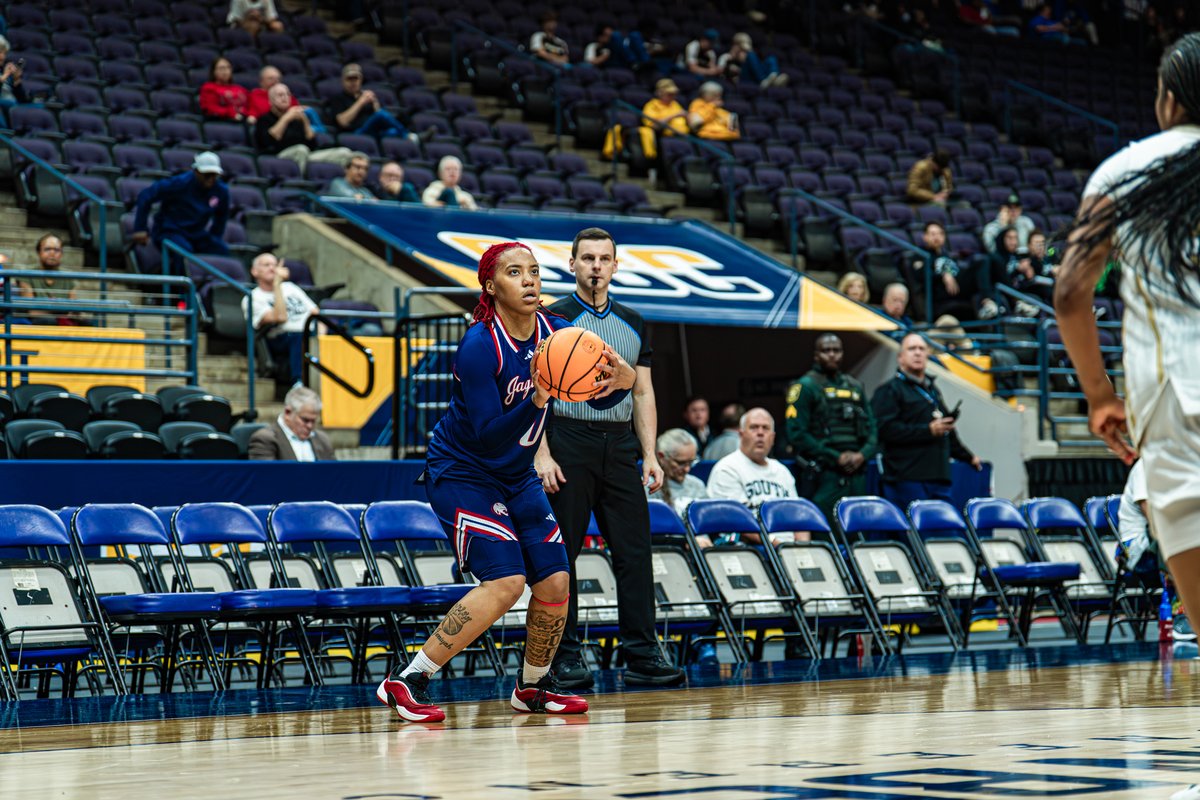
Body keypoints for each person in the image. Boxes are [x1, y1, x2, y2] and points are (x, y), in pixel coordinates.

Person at [377, 241, 630, 722]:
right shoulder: (478, 345)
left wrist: (621, 378)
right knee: (508, 580)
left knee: (556, 580)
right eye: (516, 272)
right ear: (492, 287)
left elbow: (595, 399)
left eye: (534, 271)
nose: (530, 280)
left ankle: (532, 687)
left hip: (515, 476)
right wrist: (537, 397)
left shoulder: (561, 334)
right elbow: (492, 438)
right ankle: (407, 679)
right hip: (463, 472)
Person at [1054, 48, 1200, 799]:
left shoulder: (1125, 171)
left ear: (1170, 98)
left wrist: (1100, 394)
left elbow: (1072, 291)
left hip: (1177, 407)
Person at [535, 227, 685, 690]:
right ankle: (564, 656)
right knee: (564, 555)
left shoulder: (635, 321)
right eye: (588, 258)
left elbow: (642, 390)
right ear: (572, 264)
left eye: (604, 258)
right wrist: (540, 453)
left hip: (620, 444)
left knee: (635, 552)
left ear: (616, 266)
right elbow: (533, 393)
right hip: (566, 439)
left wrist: (649, 454)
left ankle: (641, 654)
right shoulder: (550, 318)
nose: (596, 266)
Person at [871, 332, 982, 510]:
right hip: (907, 479)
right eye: (911, 349)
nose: (917, 353)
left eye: (922, 349)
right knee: (915, 536)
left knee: (945, 535)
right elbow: (885, 430)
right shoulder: (889, 391)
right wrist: (927, 431)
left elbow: (947, 430)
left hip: (939, 478)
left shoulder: (932, 391)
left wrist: (968, 456)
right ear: (900, 357)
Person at [785, 334, 877, 521]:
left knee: (858, 530)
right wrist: (836, 457)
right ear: (816, 355)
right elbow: (796, 434)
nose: (832, 355)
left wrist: (862, 455)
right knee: (825, 531)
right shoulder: (805, 386)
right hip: (824, 474)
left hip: (857, 474)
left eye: (837, 350)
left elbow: (873, 428)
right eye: (826, 351)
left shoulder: (855, 386)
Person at [706, 408, 803, 544]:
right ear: (741, 434)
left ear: (773, 437)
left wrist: (802, 548)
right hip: (750, 551)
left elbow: (799, 517)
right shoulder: (726, 468)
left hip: (787, 548)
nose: (760, 433)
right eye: (754, 428)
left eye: (765, 428)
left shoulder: (782, 471)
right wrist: (777, 545)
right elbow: (736, 520)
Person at [131, 151, 231, 277]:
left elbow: (221, 217)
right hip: (169, 230)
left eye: (214, 175)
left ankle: (212, 289)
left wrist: (215, 236)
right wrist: (140, 228)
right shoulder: (179, 183)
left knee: (221, 250)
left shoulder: (221, 190)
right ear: (196, 171)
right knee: (183, 252)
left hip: (196, 233)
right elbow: (146, 195)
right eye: (207, 175)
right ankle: (182, 293)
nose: (211, 179)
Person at [242, 252, 318, 386]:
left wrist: (320, 337)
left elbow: (316, 313)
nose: (272, 268)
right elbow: (280, 317)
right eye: (266, 265)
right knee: (298, 336)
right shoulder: (252, 298)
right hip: (281, 338)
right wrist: (277, 286)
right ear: (254, 271)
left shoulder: (291, 287)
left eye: (275, 265)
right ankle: (298, 383)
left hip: (310, 333)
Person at [254, 83, 352, 173]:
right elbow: (270, 140)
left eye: (287, 94)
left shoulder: (297, 119)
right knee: (301, 150)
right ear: (270, 101)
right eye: (280, 95)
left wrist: (305, 120)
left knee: (344, 153)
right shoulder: (264, 119)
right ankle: (302, 183)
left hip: (306, 155)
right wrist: (286, 118)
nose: (285, 97)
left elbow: (311, 142)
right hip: (278, 156)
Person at [327, 63, 414, 142]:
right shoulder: (338, 98)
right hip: (354, 133)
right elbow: (343, 122)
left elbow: (379, 118)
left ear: (361, 80)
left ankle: (409, 137)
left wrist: (375, 104)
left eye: (356, 79)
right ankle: (408, 136)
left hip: (374, 132)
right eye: (349, 79)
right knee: (381, 115)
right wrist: (361, 102)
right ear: (343, 81)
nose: (353, 82)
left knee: (393, 131)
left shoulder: (366, 97)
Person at [249, 385, 336, 461]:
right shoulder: (265, 439)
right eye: (305, 420)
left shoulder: (323, 440)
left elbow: (335, 475)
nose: (310, 426)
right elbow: (266, 477)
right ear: (288, 413)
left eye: (313, 421)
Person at [15, 235, 79, 325]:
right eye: (47, 249)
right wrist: (58, 309)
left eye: (56, 250)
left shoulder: (69, 276)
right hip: (36, 321)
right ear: (39, 252)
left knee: (88, 322)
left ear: (61, 253)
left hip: (61, 320)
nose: (52, 253)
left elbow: (73, 309)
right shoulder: (26, 274)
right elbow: (31, 310)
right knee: (47, 321)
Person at [647, 427, 708, 518]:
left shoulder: (697, 485)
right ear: (661, 457)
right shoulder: (650, 487)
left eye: (691, 462)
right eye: (681, 463)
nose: (687, 469)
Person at [247, 65, 324, 131]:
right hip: (271, 122)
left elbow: (294, 106)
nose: (275, 81)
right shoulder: (255, 94)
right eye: (271, 78)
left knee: (309, 111)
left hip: (292, 122)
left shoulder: (283, 91)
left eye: (278, 78)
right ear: (261, 81)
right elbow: (253, 111)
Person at [718, 32, 786, 88]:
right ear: (736, 45)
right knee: (751, 55)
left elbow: (756, 65)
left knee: (771, 58)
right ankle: (766, 81)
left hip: (753, 75)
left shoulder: (747, 54)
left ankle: (773, 75)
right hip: (743, 79)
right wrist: (733, 62)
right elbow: (722, 72)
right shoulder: (727, 56)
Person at [198, 57, 249, 122]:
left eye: (228, 67)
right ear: (214, 71)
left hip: (243, 119)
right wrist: (230, 113)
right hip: (222, 121)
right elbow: (211, 108)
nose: (225, 71)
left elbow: (250, 106)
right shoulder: (208, 88)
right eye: (221, 68)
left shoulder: (240, 89)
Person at [0, 36, 29, 107]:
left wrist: (16, 80)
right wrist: (5, 76)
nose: (3, 57)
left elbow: (23, 100)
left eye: (5, 53)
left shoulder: (3, 70)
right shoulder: (5, 73)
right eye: (0, 52)